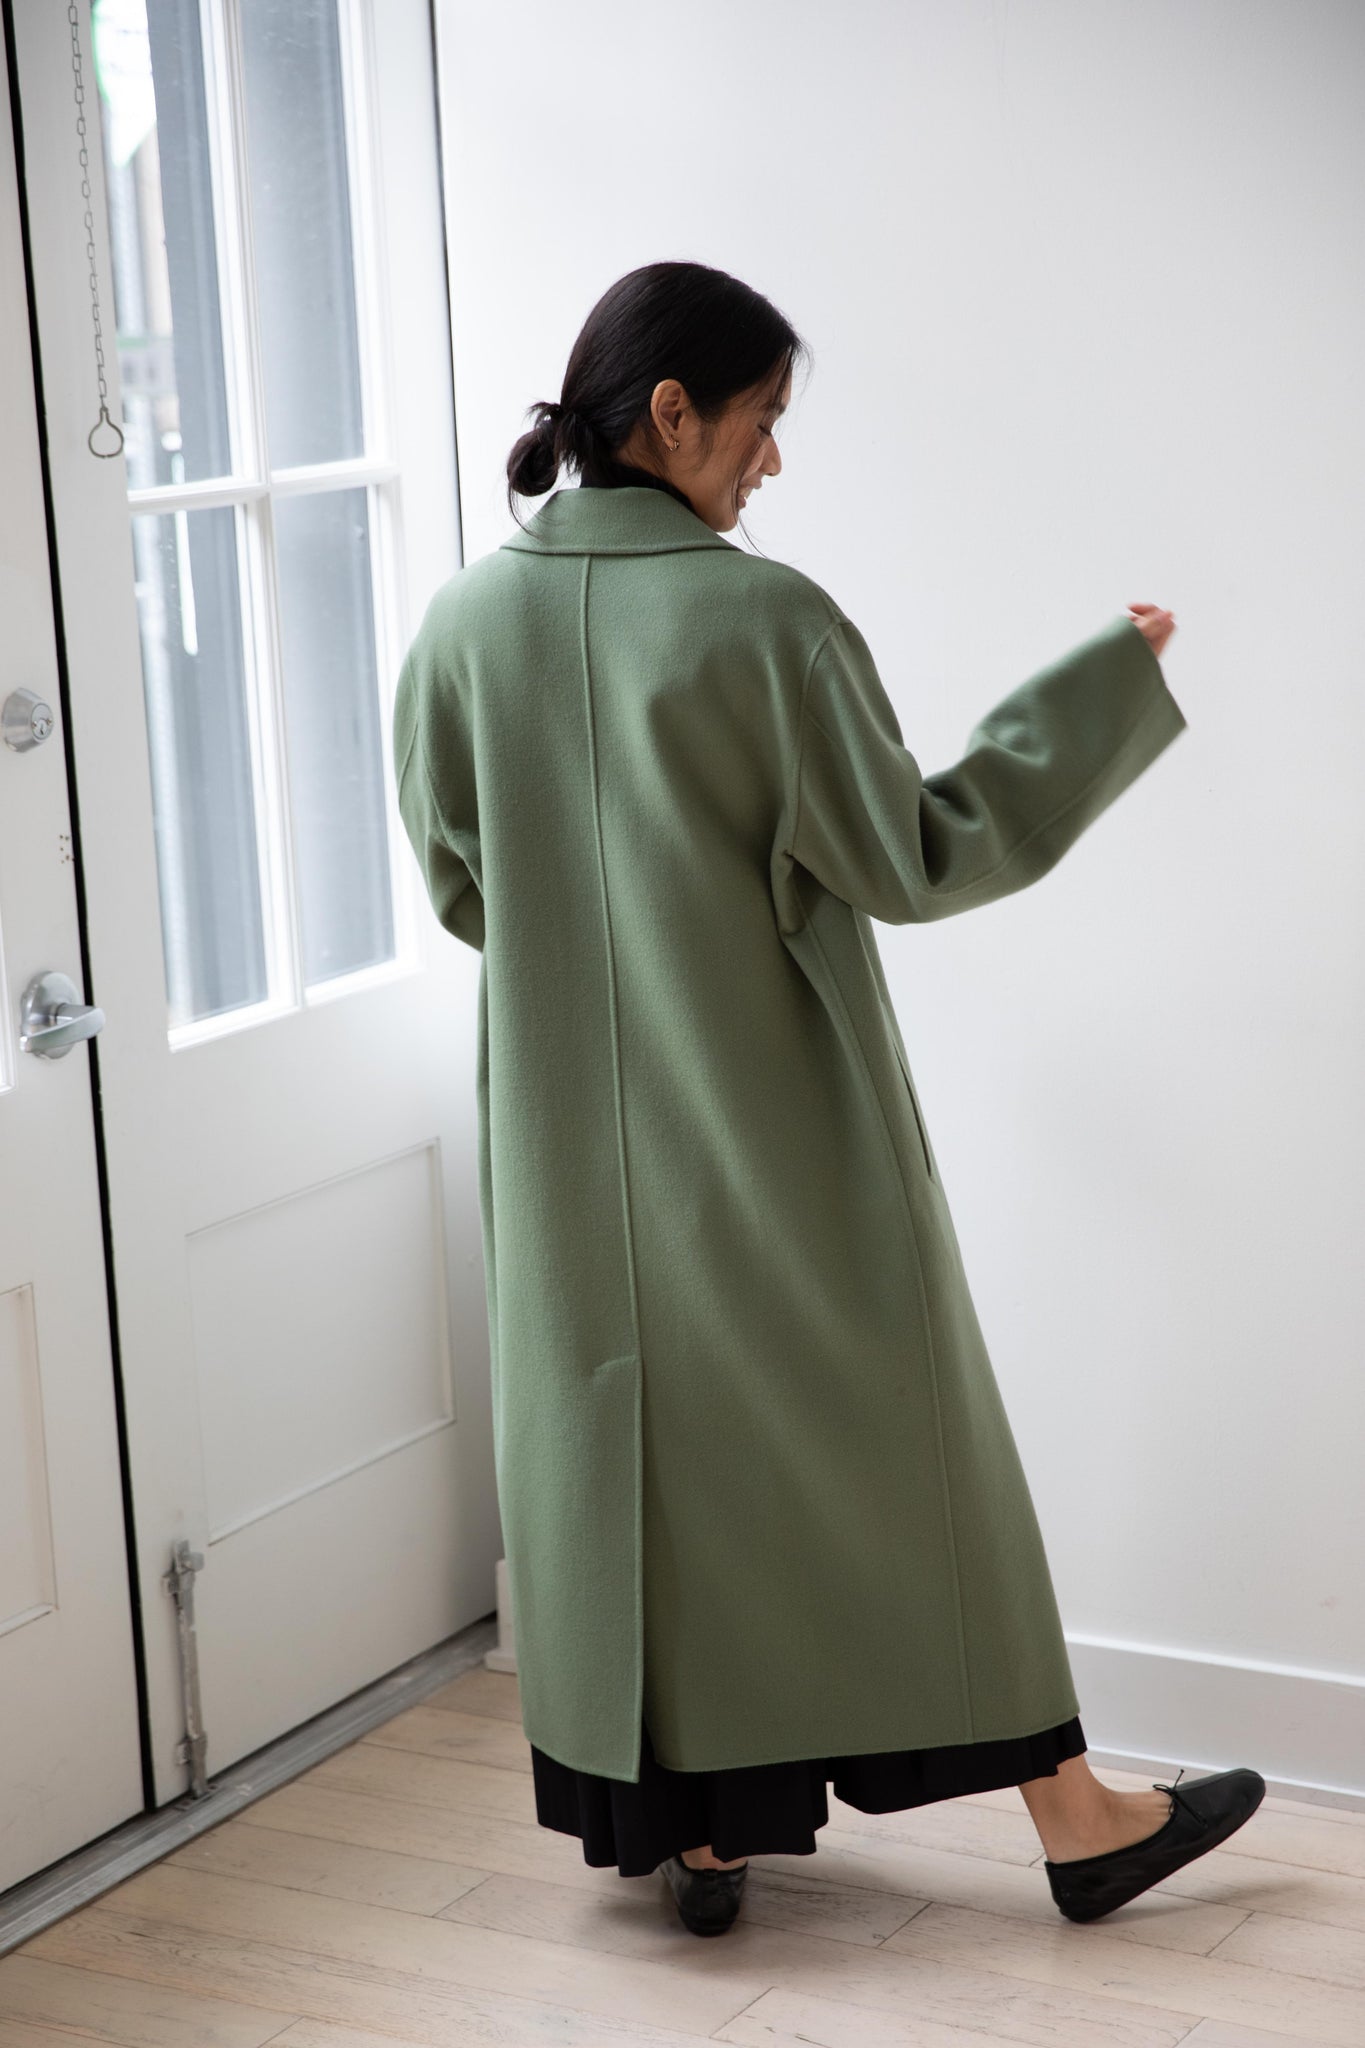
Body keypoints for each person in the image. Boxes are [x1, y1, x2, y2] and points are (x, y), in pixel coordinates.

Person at [392, 260, 1264, 1938]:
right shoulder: (763, 620)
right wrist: (1099, 691)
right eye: (761, 419)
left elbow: (458, 880)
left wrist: (595, 950)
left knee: (635, 1460)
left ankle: (705, 1839)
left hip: (567, 1143)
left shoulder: (460, 625)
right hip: (771, 1122)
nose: (771, 459)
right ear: (669, 414)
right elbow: (911, 854)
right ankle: (1075, 1818)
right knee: (908, 1440)